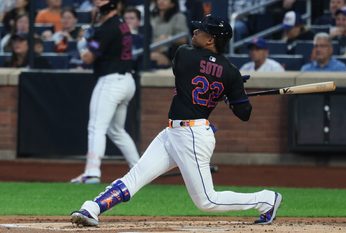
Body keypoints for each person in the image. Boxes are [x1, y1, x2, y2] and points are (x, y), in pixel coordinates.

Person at [70, 14, 282, 227]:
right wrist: (234, 91)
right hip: (173, 133)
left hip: (192, 135)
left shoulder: (185, 54)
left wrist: (226, 88)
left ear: (211, 40)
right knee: (135, 176)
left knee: (207, 201)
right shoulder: (231, 72)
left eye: (201, 31)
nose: (195, 32)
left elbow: (195, 74)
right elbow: (244, 112)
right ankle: (92, 208)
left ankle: (266, 199)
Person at [70, 0, 140, 184]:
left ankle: (92, 172)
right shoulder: (121, 24)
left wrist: (81, 42)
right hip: (127, 81)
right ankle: (139, 168)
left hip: (110, 82)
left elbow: (87, 58)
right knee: (116, 130)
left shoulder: (106, 29)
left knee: (96, 127)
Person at [150, 0, 189, 68]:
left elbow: (183, 39)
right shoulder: (153, 18)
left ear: (172, 4)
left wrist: (167, 38)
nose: (161, 1)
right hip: (154, 50)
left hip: (171, 54)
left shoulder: (179, 17)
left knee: (151, 57)